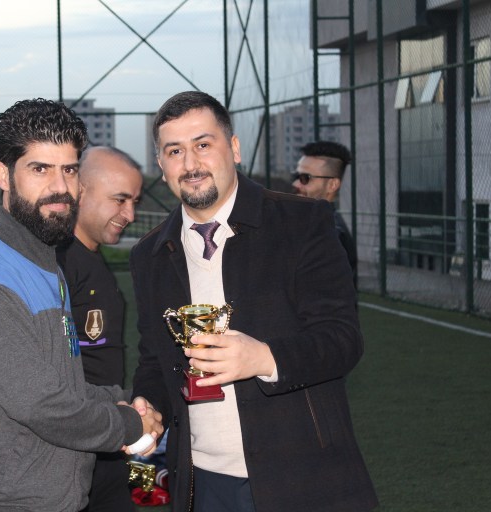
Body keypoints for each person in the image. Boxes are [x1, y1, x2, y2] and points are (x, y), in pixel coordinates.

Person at [130, 91, 378, 512]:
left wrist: (264, 358)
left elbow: (342, 339)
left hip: (301, 477)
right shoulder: (149, 254)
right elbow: (154, 360)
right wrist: (147, 406)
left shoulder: (302, 222)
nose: (190, 164)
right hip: (202, 483)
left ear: (234, 148)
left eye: (203, 144)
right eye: (175, 151)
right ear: (161, 164)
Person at [0, 98, 163, 512]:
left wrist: (122, 399)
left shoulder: (41, 259)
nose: (60, 187)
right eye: (40, 169)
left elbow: (59, 385)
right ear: (3, 175)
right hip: (1, 503)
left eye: (69, 170)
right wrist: (129, 423)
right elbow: (42, 406)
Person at [56, 145, 143, 512]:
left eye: (134, 202)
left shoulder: (88, 255)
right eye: (120, 200)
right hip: (73, 447)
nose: (130, 214)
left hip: (106, 440)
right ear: (80, 191)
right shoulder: (57, 262)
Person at [292, 141, 358, 288]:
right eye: (296, 176)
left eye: (305, 178)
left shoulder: (329, 236)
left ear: (332, 185)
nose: (296, 184)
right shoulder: (312, 226)